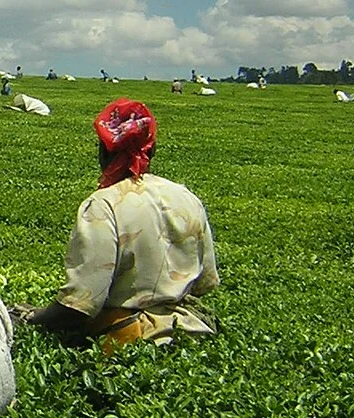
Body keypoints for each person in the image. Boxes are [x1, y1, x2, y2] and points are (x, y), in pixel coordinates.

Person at [12, 99, 218, 350]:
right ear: (152, 149)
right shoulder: (186, 197)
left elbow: (79, 306)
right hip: (191, 330)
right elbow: (205, 283)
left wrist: (32, 316)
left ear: (103, 151)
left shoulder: (103, 205)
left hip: (131, 339)